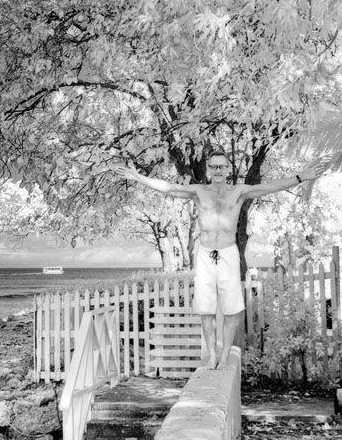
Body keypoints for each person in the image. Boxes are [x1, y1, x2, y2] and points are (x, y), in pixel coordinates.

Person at [113, 150, 321, 370]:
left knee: (231, 309)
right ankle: (212, 355)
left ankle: (223, 357)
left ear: (228, 169)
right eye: (214, 167)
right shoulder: (198, 191)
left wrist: (300, 177)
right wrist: (139, 178)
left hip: (228, 252)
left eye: (222, 167)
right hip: (205, 254)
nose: (218, 171)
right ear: (209, 169)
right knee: (206, 309)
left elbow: (270, 187)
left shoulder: (239, 192)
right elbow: (169, 187)